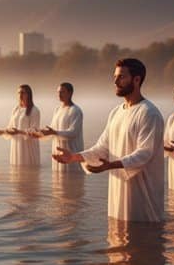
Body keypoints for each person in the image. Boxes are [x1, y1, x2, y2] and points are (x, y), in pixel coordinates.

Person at [53, 58, 165, 222]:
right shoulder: (116, 112)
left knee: (142, 238)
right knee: (118, 238)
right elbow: (103, 147)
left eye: (121, 77)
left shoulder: (149, 113)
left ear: (137, 79)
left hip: (142, 195)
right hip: (118, 190)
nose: (115, 81)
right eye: (115, 77)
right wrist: (74, 157)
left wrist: (110, 165)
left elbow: (144, 153)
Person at [32, 82, 84, 172]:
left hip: (71, 152)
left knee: (72, 180)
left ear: (70, 93)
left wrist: (54, 132)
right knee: (58, 181)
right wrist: (39, 134)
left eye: (62, 92)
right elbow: (52, 130)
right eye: (58, 92)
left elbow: (73, 132)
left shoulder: (76, 110)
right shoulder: (57, 110)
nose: (59, 94)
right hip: (57, 152)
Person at [0, 84, 40, 166]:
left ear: (28, 94)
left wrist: (19, 132)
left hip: (28, 147)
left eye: (23, 93)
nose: (20, 95)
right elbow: (10, 127)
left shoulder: (34, 110)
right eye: (18, 93)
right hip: (16, 144)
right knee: (16, 171)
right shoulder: (16, 109)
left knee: (29, 170)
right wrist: (2, 132)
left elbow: (35, 131)